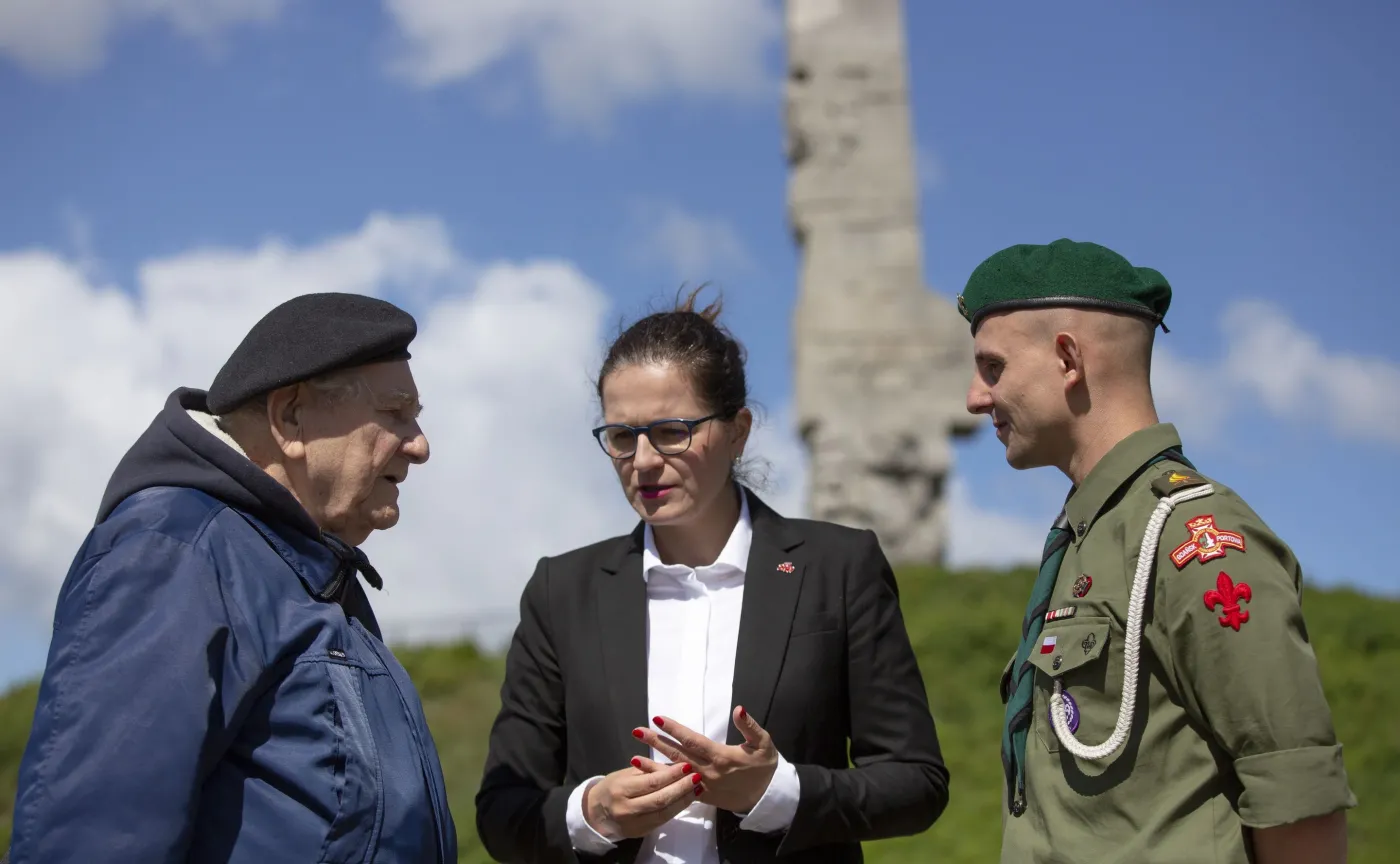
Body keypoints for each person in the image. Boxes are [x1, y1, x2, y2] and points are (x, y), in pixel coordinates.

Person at [474, 289, 949, 864]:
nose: (644, 460)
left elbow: (916, 782)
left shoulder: (838, 567)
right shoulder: (561, 591)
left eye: (672, 430)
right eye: (622, 436)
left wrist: (777, 793)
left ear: (738, 431)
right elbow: (502, 813)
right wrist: (593, 812)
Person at [6, 292, 457, 863]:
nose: (419, 445)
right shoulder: (173, 552)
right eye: (396, 413)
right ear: (290, 416)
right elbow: (93, 841)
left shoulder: (312, 576)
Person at [957, 238, 1357, 863]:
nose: (975, 398)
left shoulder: (1192, 536)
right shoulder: (1090, 538)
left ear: (1068, 359)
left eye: (993, 368)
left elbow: (1295, 796)